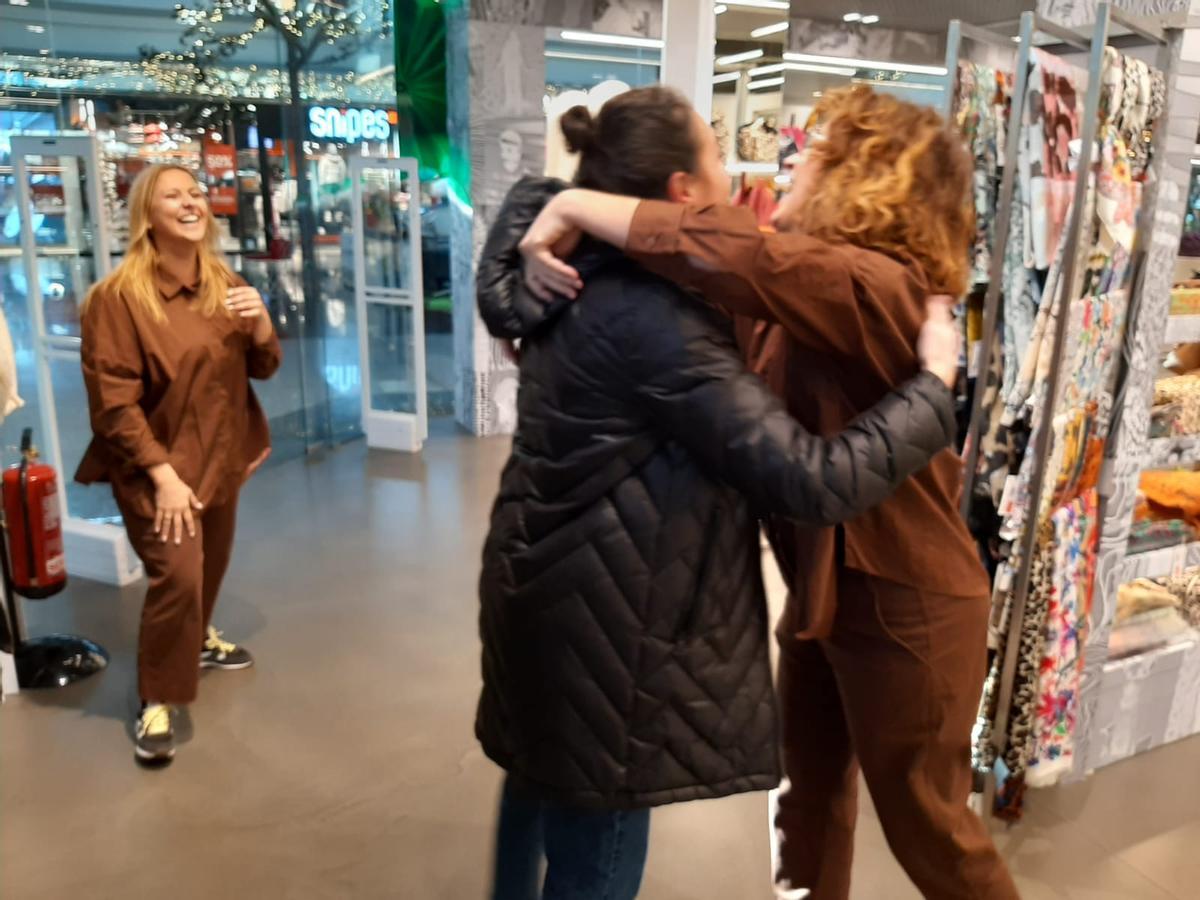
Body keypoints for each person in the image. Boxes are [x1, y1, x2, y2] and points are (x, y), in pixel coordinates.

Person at [519, 86, 1020, 900]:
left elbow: (728, 251)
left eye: (816, 150)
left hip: (907, 605)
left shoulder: (878, 287)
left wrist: (573, 198)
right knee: (805, 799)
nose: (794, 157)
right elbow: (734, 260)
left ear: (866, 178)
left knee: (933, 832)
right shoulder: (808, 292)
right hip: (826, 593)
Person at [77, 164, 281, 766]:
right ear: (147, 215)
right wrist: (162, 475)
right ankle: (157, 697)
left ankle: (197, 641)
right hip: (157, 471)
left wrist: (263, 322)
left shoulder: (224, 283)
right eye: (174, 195)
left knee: (209, 568)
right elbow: (113, 404)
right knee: (179, 575)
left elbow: (262, 367)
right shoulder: (118, 300)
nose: (191, 202)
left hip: (222, 457)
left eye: (195, 193)